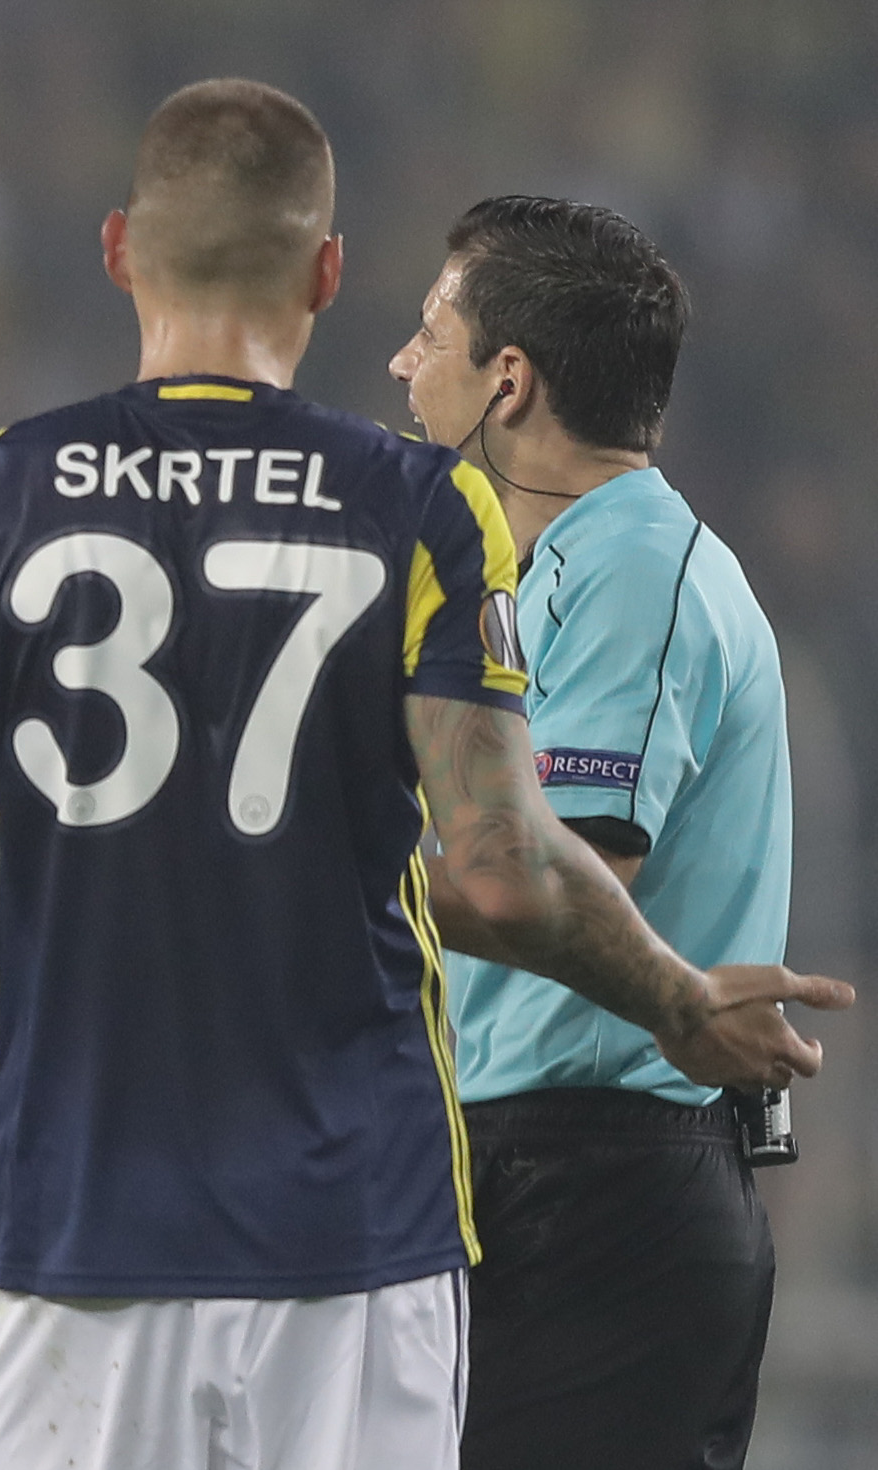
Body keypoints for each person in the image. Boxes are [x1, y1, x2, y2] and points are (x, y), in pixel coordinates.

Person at [0, 79, 850, 1470]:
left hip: (77, 1231)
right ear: (325, 272)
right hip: (357, 1237)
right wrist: (675, 999)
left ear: (119, 249)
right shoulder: (422, 512)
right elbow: (503, 863)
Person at [392, 197, 796, 1470]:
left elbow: (546, 886)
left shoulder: (633, 567)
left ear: (508, 381)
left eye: (428, 332)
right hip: (518, 1166)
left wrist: (299, 861)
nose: (403, 365)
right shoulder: (528, 575)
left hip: (600, 1180)